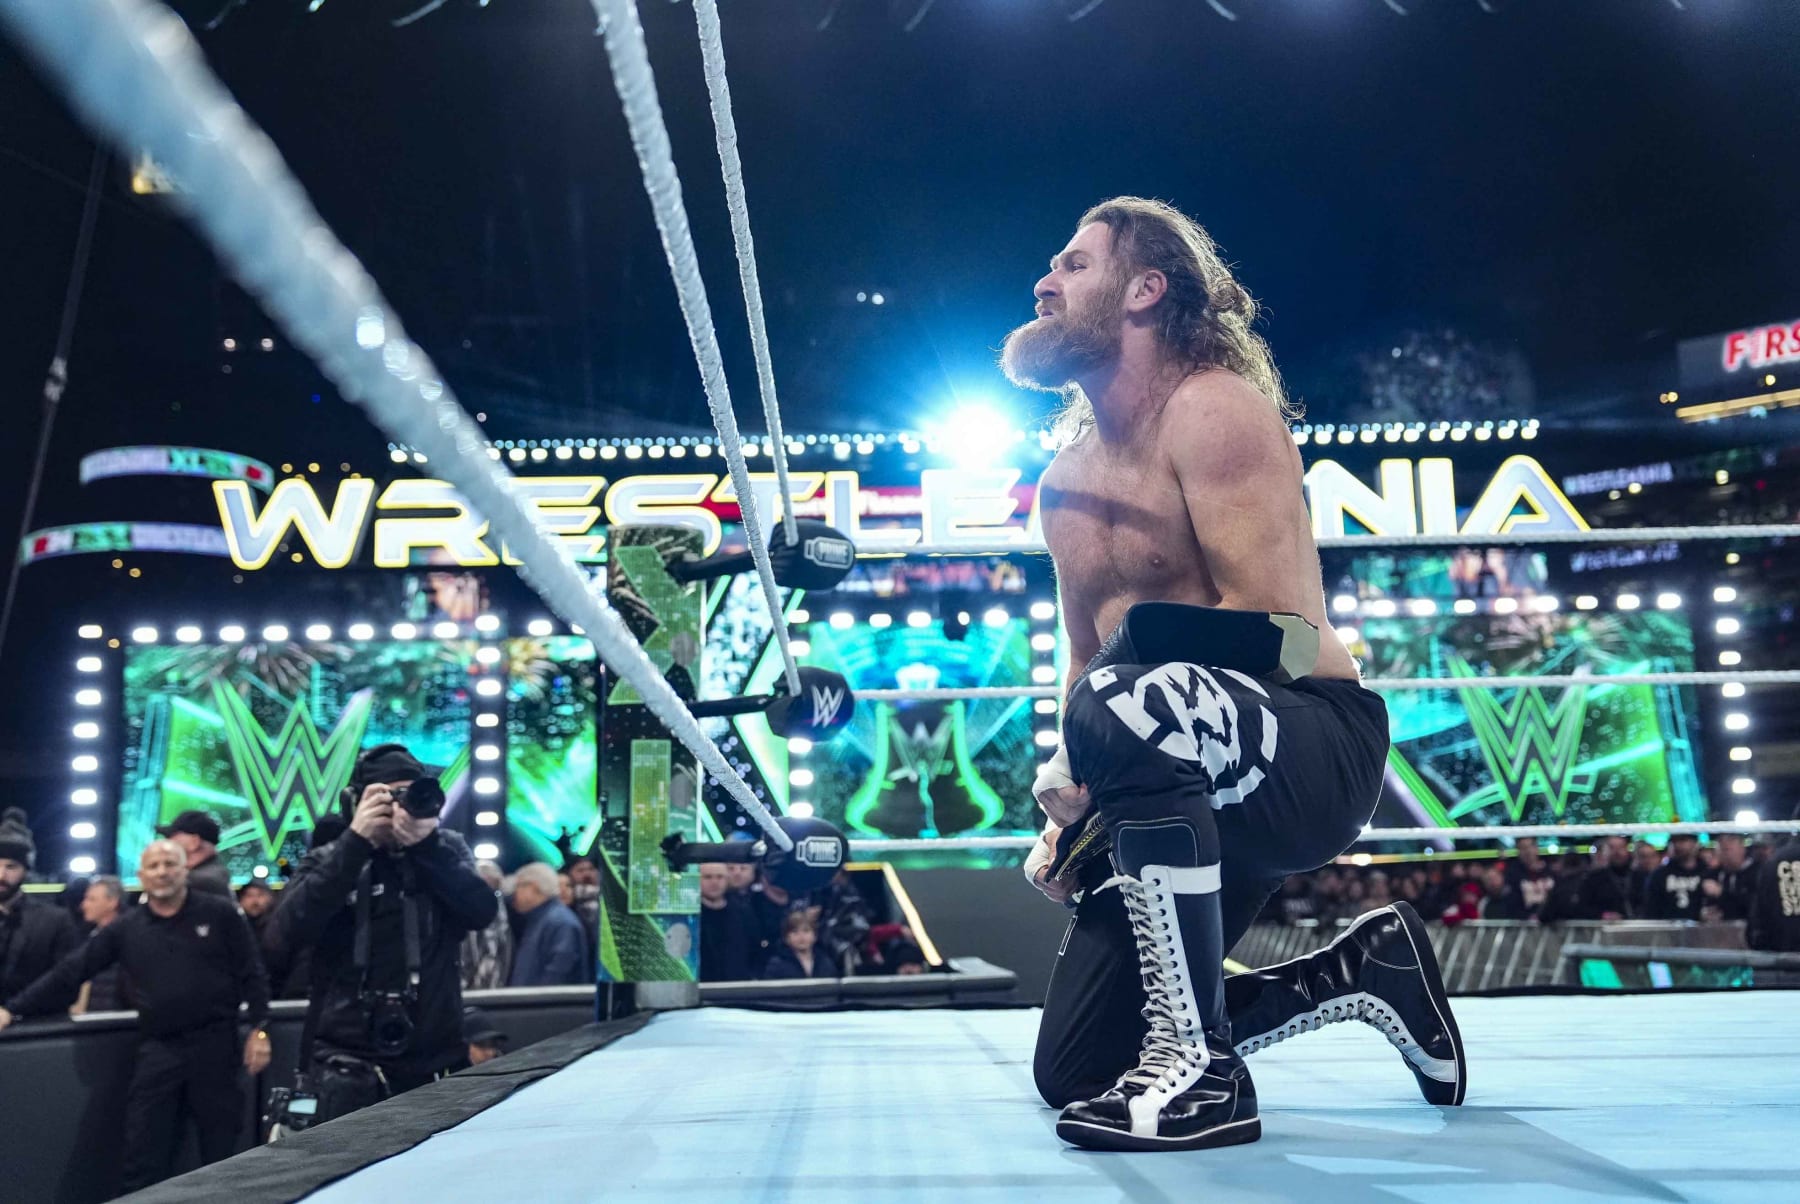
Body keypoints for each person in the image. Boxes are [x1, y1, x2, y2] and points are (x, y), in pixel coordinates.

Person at [1008, 198, 1463, 1152]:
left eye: (1074, 266)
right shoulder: (1066, 482)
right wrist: (1072, 798)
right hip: (1170, 757)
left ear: (1144, 290)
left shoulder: (1214, 410)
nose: (1046, 284)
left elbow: (1283, 633)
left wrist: (1118, 694)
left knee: (1120, 695)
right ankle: (1356, 972)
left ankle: (1203, 1072)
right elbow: (1085, 656)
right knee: (1077, 1070)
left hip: (1313, 740)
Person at [1, 840, 269, 1192]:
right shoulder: (127, 928)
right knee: (142, 1156)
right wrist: (12, 1008)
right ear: (141, 876)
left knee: (222, 1155)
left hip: (217, 1047)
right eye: (153, 865)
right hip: (158, 1049)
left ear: (184, 870)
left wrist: (260, 1030)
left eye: (169, 864)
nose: (162, 872)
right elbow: (71, 971)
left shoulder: (219, 913)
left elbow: (253, 972)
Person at [267, 743, 498, 1123]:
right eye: (388, 797)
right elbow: (286, 933)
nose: (399, 809)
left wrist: (427, 848)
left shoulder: (445, 850)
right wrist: (355, 842)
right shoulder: (331, 857)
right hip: (346, 1065)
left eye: (411, 795)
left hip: (433, 1063)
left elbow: (481, 912)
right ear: (356, 802)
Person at [0, 807, 81, 1005]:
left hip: (33, 1029)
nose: (1, 875)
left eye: (11, 866)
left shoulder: (55, 921)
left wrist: (13, 1010)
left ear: (26, 871)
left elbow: (67, 986)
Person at [507, 862, 590, 987]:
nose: (514, 895)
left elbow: (557, 977)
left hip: (546, 1005)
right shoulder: (543, 920)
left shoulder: (561, 923)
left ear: (533, 887)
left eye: (518, 886)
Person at [74, 875, 130, 1013]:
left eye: (91, 899)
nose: (83, 905)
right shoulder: (91, 936)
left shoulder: (129, 939)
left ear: (112, 902)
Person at [697, 862, 755, 982]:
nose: (714, 882)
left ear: (727, 879)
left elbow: (754, 949)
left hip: (737, 986)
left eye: (720, 877)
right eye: (708, 877)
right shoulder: (692, 915)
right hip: (702, 984)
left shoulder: (743, 912)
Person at [461, 859, 514, 989]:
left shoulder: (505, 918)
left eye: (494, 890)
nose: (487, 896)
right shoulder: (458, 913)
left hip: (494, 988)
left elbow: (505, 954)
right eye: (482, 888)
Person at [157, 810, 233, 898]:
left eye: (171, 837)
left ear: (194, 842)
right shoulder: (215, 874)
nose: (167, 843)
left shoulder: (198, 883)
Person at [1643, 834, 1710, 921]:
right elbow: (1650, 911)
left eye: (1683, 840)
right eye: (1673, 841)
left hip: (1701, 930)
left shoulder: (1707, 872)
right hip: (1668, 930)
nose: (1677, 845)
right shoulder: (1659, 875)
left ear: (1695, 843)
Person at [760, 912, 839, 980]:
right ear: (786, 938)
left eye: (806, 930)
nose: (801, 937)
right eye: (795, 932)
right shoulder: (776, 965)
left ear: (815, 936)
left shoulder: (825, 962)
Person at [1576, 836, 1636, 919]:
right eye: (1612, 848)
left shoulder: (1639, 877)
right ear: (1605, 851)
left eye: (1621, 847)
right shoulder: (1593, 880)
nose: (1617, 852)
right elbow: (1581, 908)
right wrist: (1601, 915)